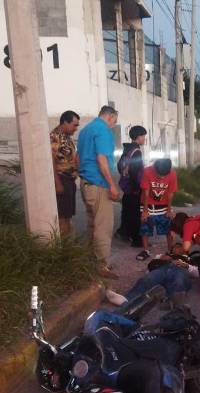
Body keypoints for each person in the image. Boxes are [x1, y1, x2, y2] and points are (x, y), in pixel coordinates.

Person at [77, 105, 121, 279]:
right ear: (110, 117)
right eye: (114, 121)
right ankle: (101, 265)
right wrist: (111, 185)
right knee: (103, 226)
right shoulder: (103, 131)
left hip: (86, 183)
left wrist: (82, 175)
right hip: (98, 183)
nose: (113, 125)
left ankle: (90, 261)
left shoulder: (85, 130)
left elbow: (78, 157)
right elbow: (102, 159)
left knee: (92, 224)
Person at [105, 243, 196, 307]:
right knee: (148, 279)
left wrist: (186, 265)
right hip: (163, 269)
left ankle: (173, 302)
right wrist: (163, 258)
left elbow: (196, 272)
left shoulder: (188, 259)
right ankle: (126, 300)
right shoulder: (165, 255)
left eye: (180, 247)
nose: (178, 248)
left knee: (179, 281)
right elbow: (151, 265)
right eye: (176, 247)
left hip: (179, 270)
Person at [136, 158, 177, 261]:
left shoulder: (172, 174)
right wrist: (145, 210)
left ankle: (170, 250)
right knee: (145, 227)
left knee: (169, 227)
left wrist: (169, 209)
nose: (162, 177)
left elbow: (171, 193)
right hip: (148, 204)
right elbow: (145, 192)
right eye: (159, 175)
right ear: (155, 168)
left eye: (164, 175)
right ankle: (146, 250)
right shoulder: (147, 171)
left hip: (164, 206)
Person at [50, 110, 80, 236]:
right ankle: (65, 244)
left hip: (69, 180)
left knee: (67, 215)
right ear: (65, 123)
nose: (76, 128)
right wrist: (57, 183)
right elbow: (51, 161)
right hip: (61, 179)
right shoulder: (55, 137)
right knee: (62, 217)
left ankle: (68, 239)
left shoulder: (67, 137)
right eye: (74, 125)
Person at [117, 125, 146, 247]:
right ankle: (136, 240)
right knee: (135, 214)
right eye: (143, 136)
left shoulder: (127, 149)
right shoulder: (137, 151)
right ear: (138, 137)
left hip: (126, 186)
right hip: (133, 188)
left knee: (127, 211)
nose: (144, 139)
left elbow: (119, 166)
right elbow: (135, 171)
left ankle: (124, 233)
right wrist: (136, 188)